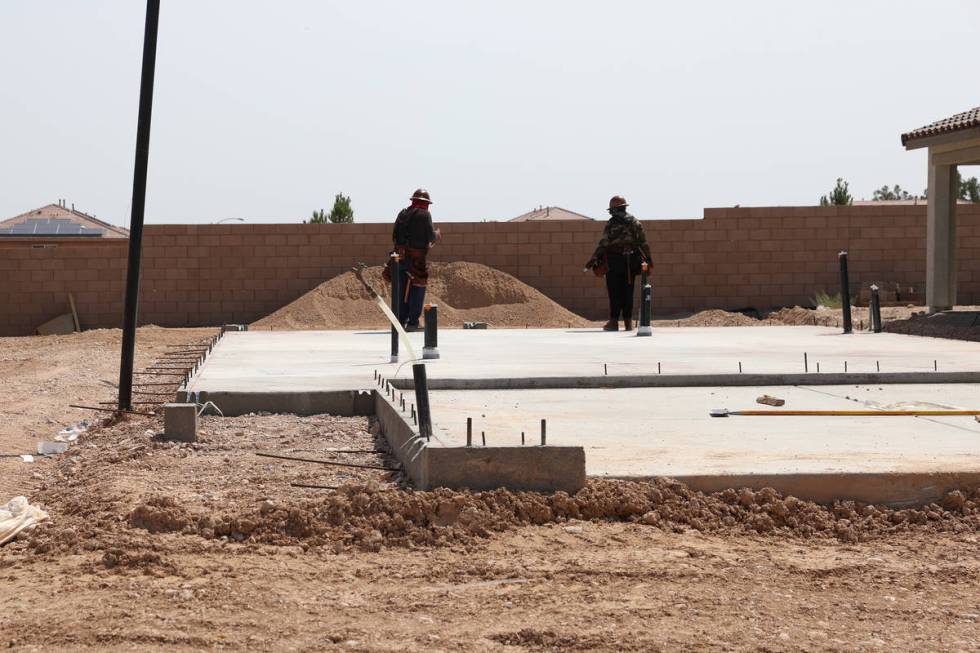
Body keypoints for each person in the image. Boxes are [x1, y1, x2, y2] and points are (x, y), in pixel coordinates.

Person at [585, 195, 651, 331]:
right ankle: (628, 323)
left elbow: (603, 244)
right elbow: (643, 243)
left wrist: (592, 260)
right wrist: (649, 261)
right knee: (628, 291)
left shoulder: (611, 223)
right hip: (631, 262)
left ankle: (614, 322)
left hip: (614, 261)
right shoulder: (635, 222)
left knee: (614, 292)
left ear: (614, 209)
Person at [389, 188, 441, 331]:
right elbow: (430, 236)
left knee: (400, 290)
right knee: (418, 288)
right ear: (425, 203)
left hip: (399, 259)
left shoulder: (402, 213)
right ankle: (413, 323)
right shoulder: (425, 215)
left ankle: (399, 321)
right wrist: (437, 234)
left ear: (413, 201)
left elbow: (394, 236)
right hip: (416, 261)